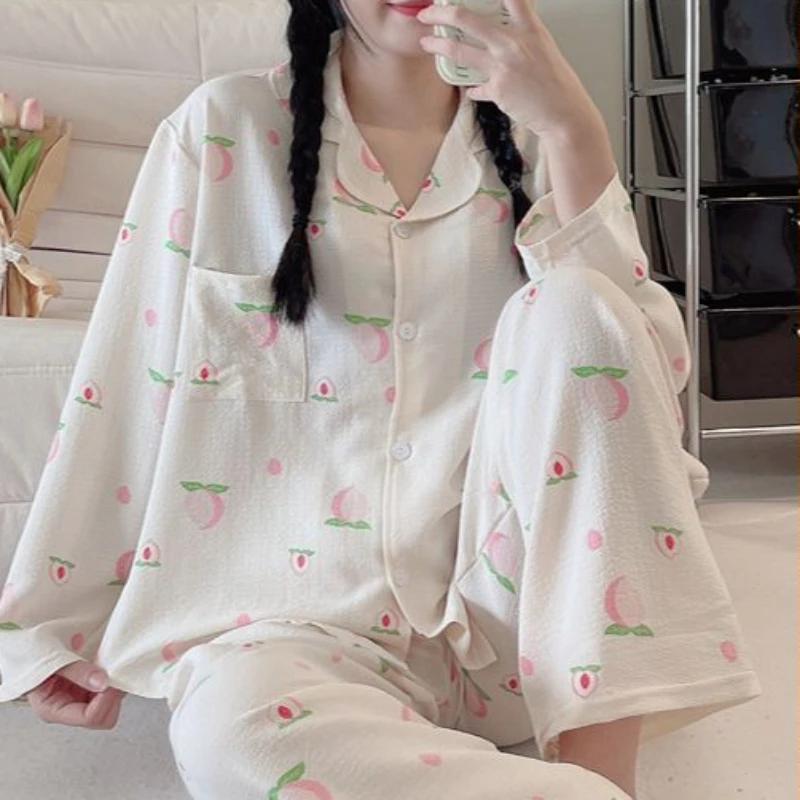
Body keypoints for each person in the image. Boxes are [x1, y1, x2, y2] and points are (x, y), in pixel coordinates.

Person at [0, 0, 760, 798]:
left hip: (519, 632)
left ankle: (603, 774)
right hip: (297, 629)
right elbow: (127, 376)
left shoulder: (537, 136)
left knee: (577, 303)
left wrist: (574, 127)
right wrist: (48, 623)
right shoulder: (223, 129)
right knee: (235, 737)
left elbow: (639, 377)